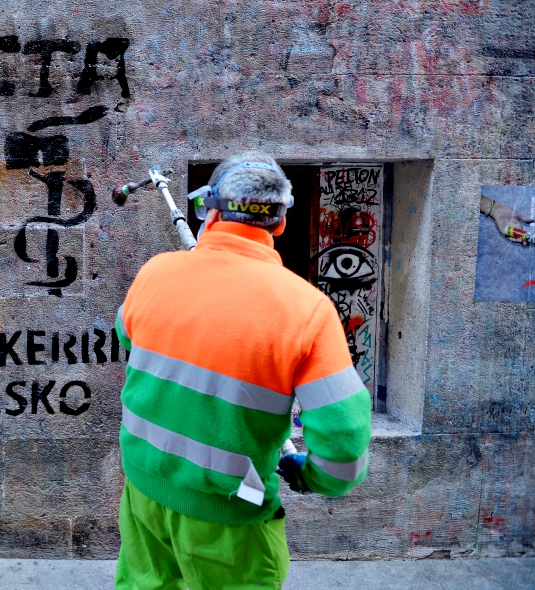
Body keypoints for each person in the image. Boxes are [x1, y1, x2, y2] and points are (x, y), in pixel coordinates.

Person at [114, 153, 372, 590]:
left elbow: (128, 336)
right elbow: (344, 452)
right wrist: (310, 476)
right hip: (231, 519)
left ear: (208, 212)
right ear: (280, 224)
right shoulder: (307, 311)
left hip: (143, 498)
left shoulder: (154, 273)